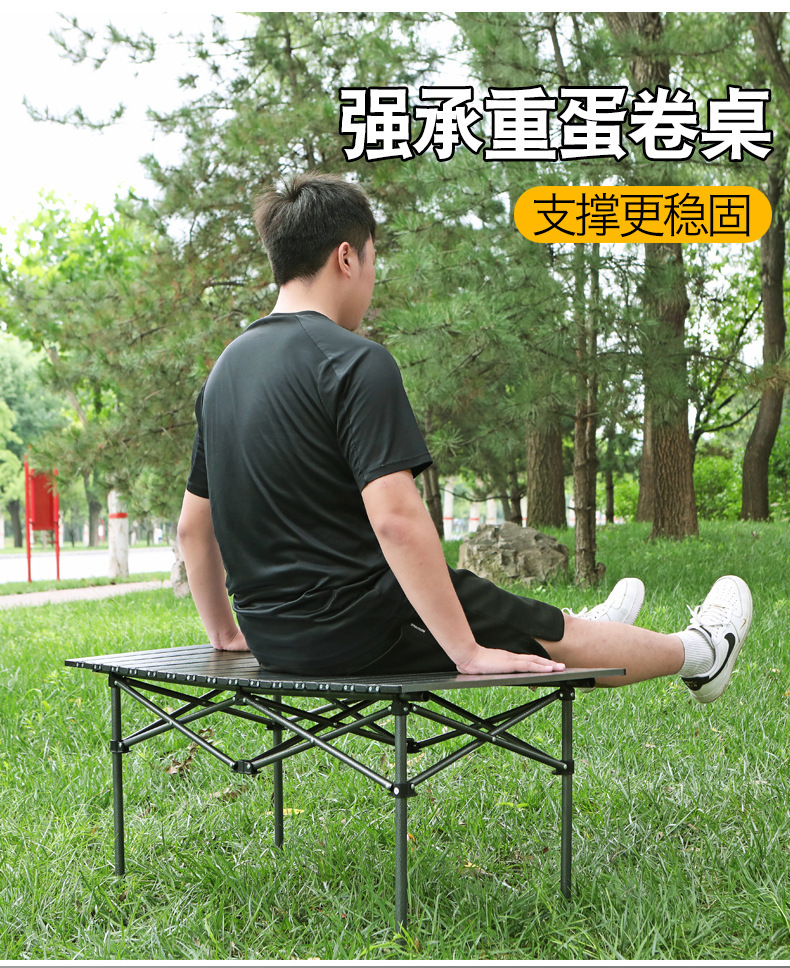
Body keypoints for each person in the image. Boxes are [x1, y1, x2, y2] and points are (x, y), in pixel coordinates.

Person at [177, 171, 752, 703]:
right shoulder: (353, 362)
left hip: (274, 637)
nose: (373, 277)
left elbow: (192, 528)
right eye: (374, 258)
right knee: (554, 639)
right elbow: (395, 521)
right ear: (346, 257)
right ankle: (702, 653)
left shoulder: (223, 374)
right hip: (361, 629)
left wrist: (225, 632)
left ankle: (579, 625)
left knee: (514, 614)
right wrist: (466, 652)